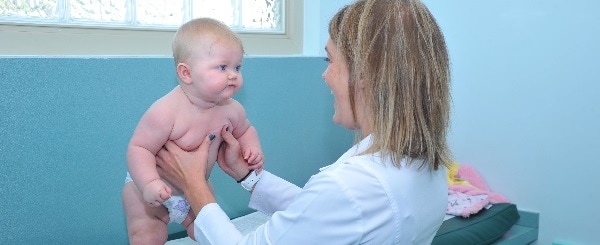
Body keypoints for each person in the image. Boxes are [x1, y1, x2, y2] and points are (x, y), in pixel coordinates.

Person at [156, 0, 452, 244]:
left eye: (330, 61)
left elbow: (333, 206)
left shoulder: (352, 186)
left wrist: (194, 185)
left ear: (365, 74)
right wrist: (248, 176)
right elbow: (321, 215)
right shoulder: (428, 169)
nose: (325, 75)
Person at [122, 17, 264, 244]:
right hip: (149, 193)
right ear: (186, 73)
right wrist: (148, 183)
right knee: (147, 234)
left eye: (237, 67)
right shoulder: (166, 111)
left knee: (210, 229)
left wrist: (252, 148)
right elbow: (139, 148)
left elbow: (246, 130)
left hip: (197, 189)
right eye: (222, 67)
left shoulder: (232, 110)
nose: (233, 74)